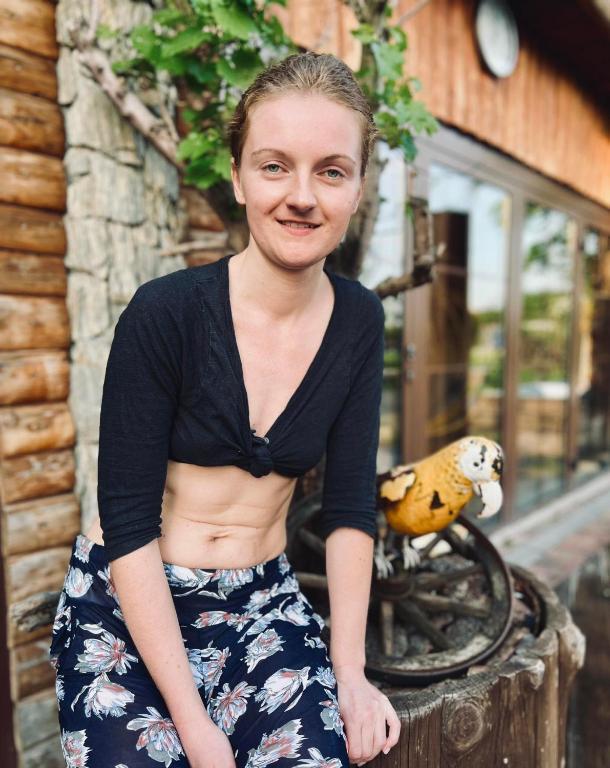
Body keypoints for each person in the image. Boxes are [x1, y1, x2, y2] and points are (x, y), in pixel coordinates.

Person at [49, 51, 401, 768]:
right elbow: (127, 523)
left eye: (331, 171)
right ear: (238, 177)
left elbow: (349, 508)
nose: (302, 196)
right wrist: (195, 727)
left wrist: (352, 675)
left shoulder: (359, 321)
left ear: (358, 189)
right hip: (127, 608)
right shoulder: (164, 314)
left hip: (261, 608)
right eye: (275, 166)